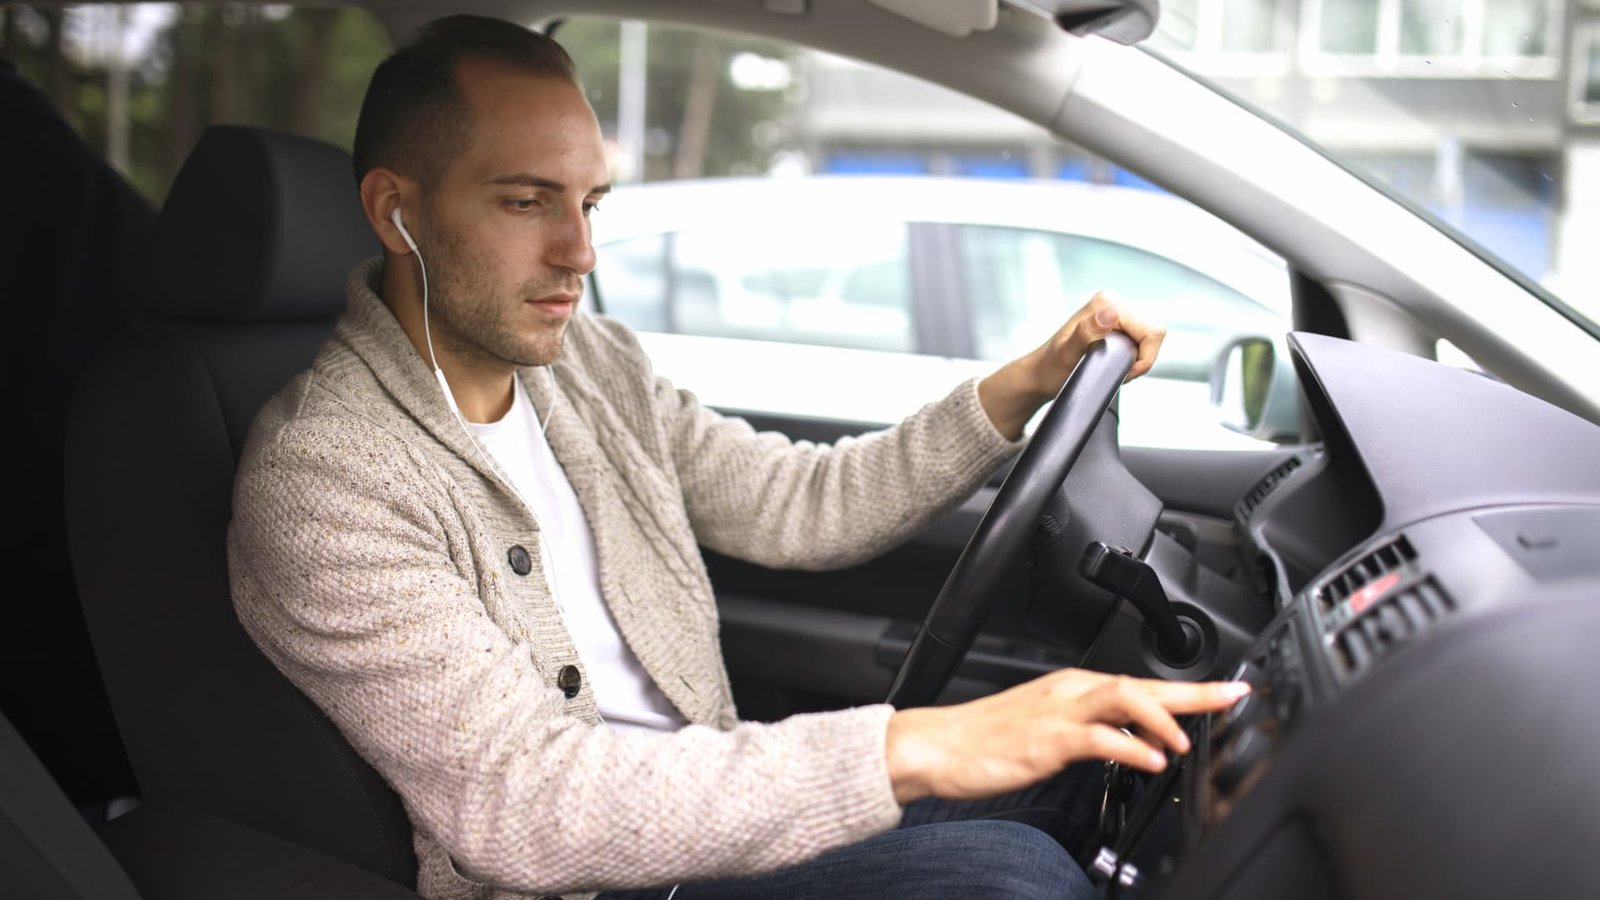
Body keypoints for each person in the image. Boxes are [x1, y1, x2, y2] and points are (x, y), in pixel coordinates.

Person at [225, 15, 1250, 900]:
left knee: (1100, 767)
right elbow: (523, 804)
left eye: (589, 204)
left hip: (707, 817)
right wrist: (914, 746)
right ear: (392, 210)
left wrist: (1024, 384)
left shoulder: (586, 364)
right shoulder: (324, 479)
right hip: (598, 880)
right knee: (1015, 882)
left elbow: (798, 504)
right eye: (526, 200)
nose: (580, 254)